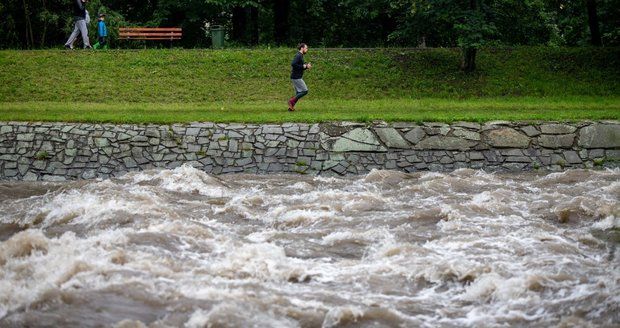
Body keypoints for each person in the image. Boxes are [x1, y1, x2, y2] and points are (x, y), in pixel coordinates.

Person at [288, 43, 311, 111]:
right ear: (302, 48)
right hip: (296, 77)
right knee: (305, 91)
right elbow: (293, 64)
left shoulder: (300, 55)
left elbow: (300, 66)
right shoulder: (298, 55)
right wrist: (304, 66)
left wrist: (306, 67)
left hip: (296, 76)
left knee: (298, 92)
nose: (307, 50)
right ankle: (291, 101)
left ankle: (291, 107)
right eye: (306, 48)